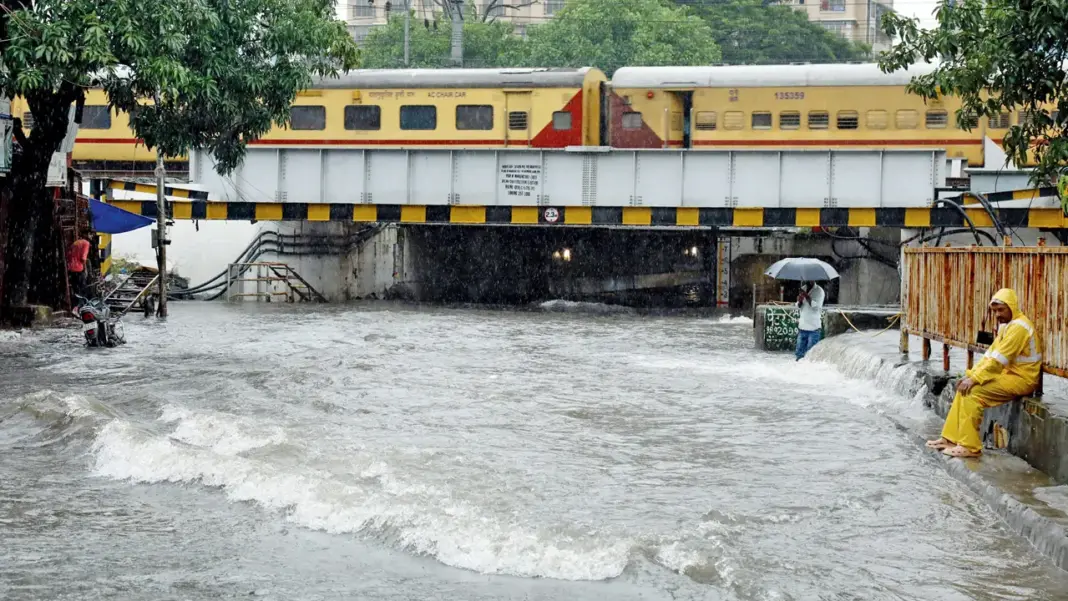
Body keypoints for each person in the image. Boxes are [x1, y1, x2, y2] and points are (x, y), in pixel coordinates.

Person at [926, 288, 1041, 458]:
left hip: (1022, 379)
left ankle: (970, 447)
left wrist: (975, 380)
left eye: (1001, 310)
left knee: (973, 393)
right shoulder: (1007, 327)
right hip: (1008, 375)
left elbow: (997, 362)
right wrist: (971, 375)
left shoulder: (1019, 328)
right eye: (995, 311)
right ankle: (950, 439)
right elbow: (989, 356)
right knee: (963, 389)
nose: (997, 314)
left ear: (1012, 307)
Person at [795, 280, 825, 361]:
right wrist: (800, 301)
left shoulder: (819, 291)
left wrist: (806, 296)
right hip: (802, 326)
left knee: (811, 356)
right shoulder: (803, 288)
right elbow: (799, 306)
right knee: (799, 354)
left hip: (813, 328)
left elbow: (816, 307)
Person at [67, 236, 92, 302]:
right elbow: (83, 257)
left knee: (75, 288)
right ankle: (82, 303)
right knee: (82, 288)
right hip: (79, 269)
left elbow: (69, 255)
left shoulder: (75, 243)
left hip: (71, 268)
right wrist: (85, 267)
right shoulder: (86, 243)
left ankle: (76, 303)